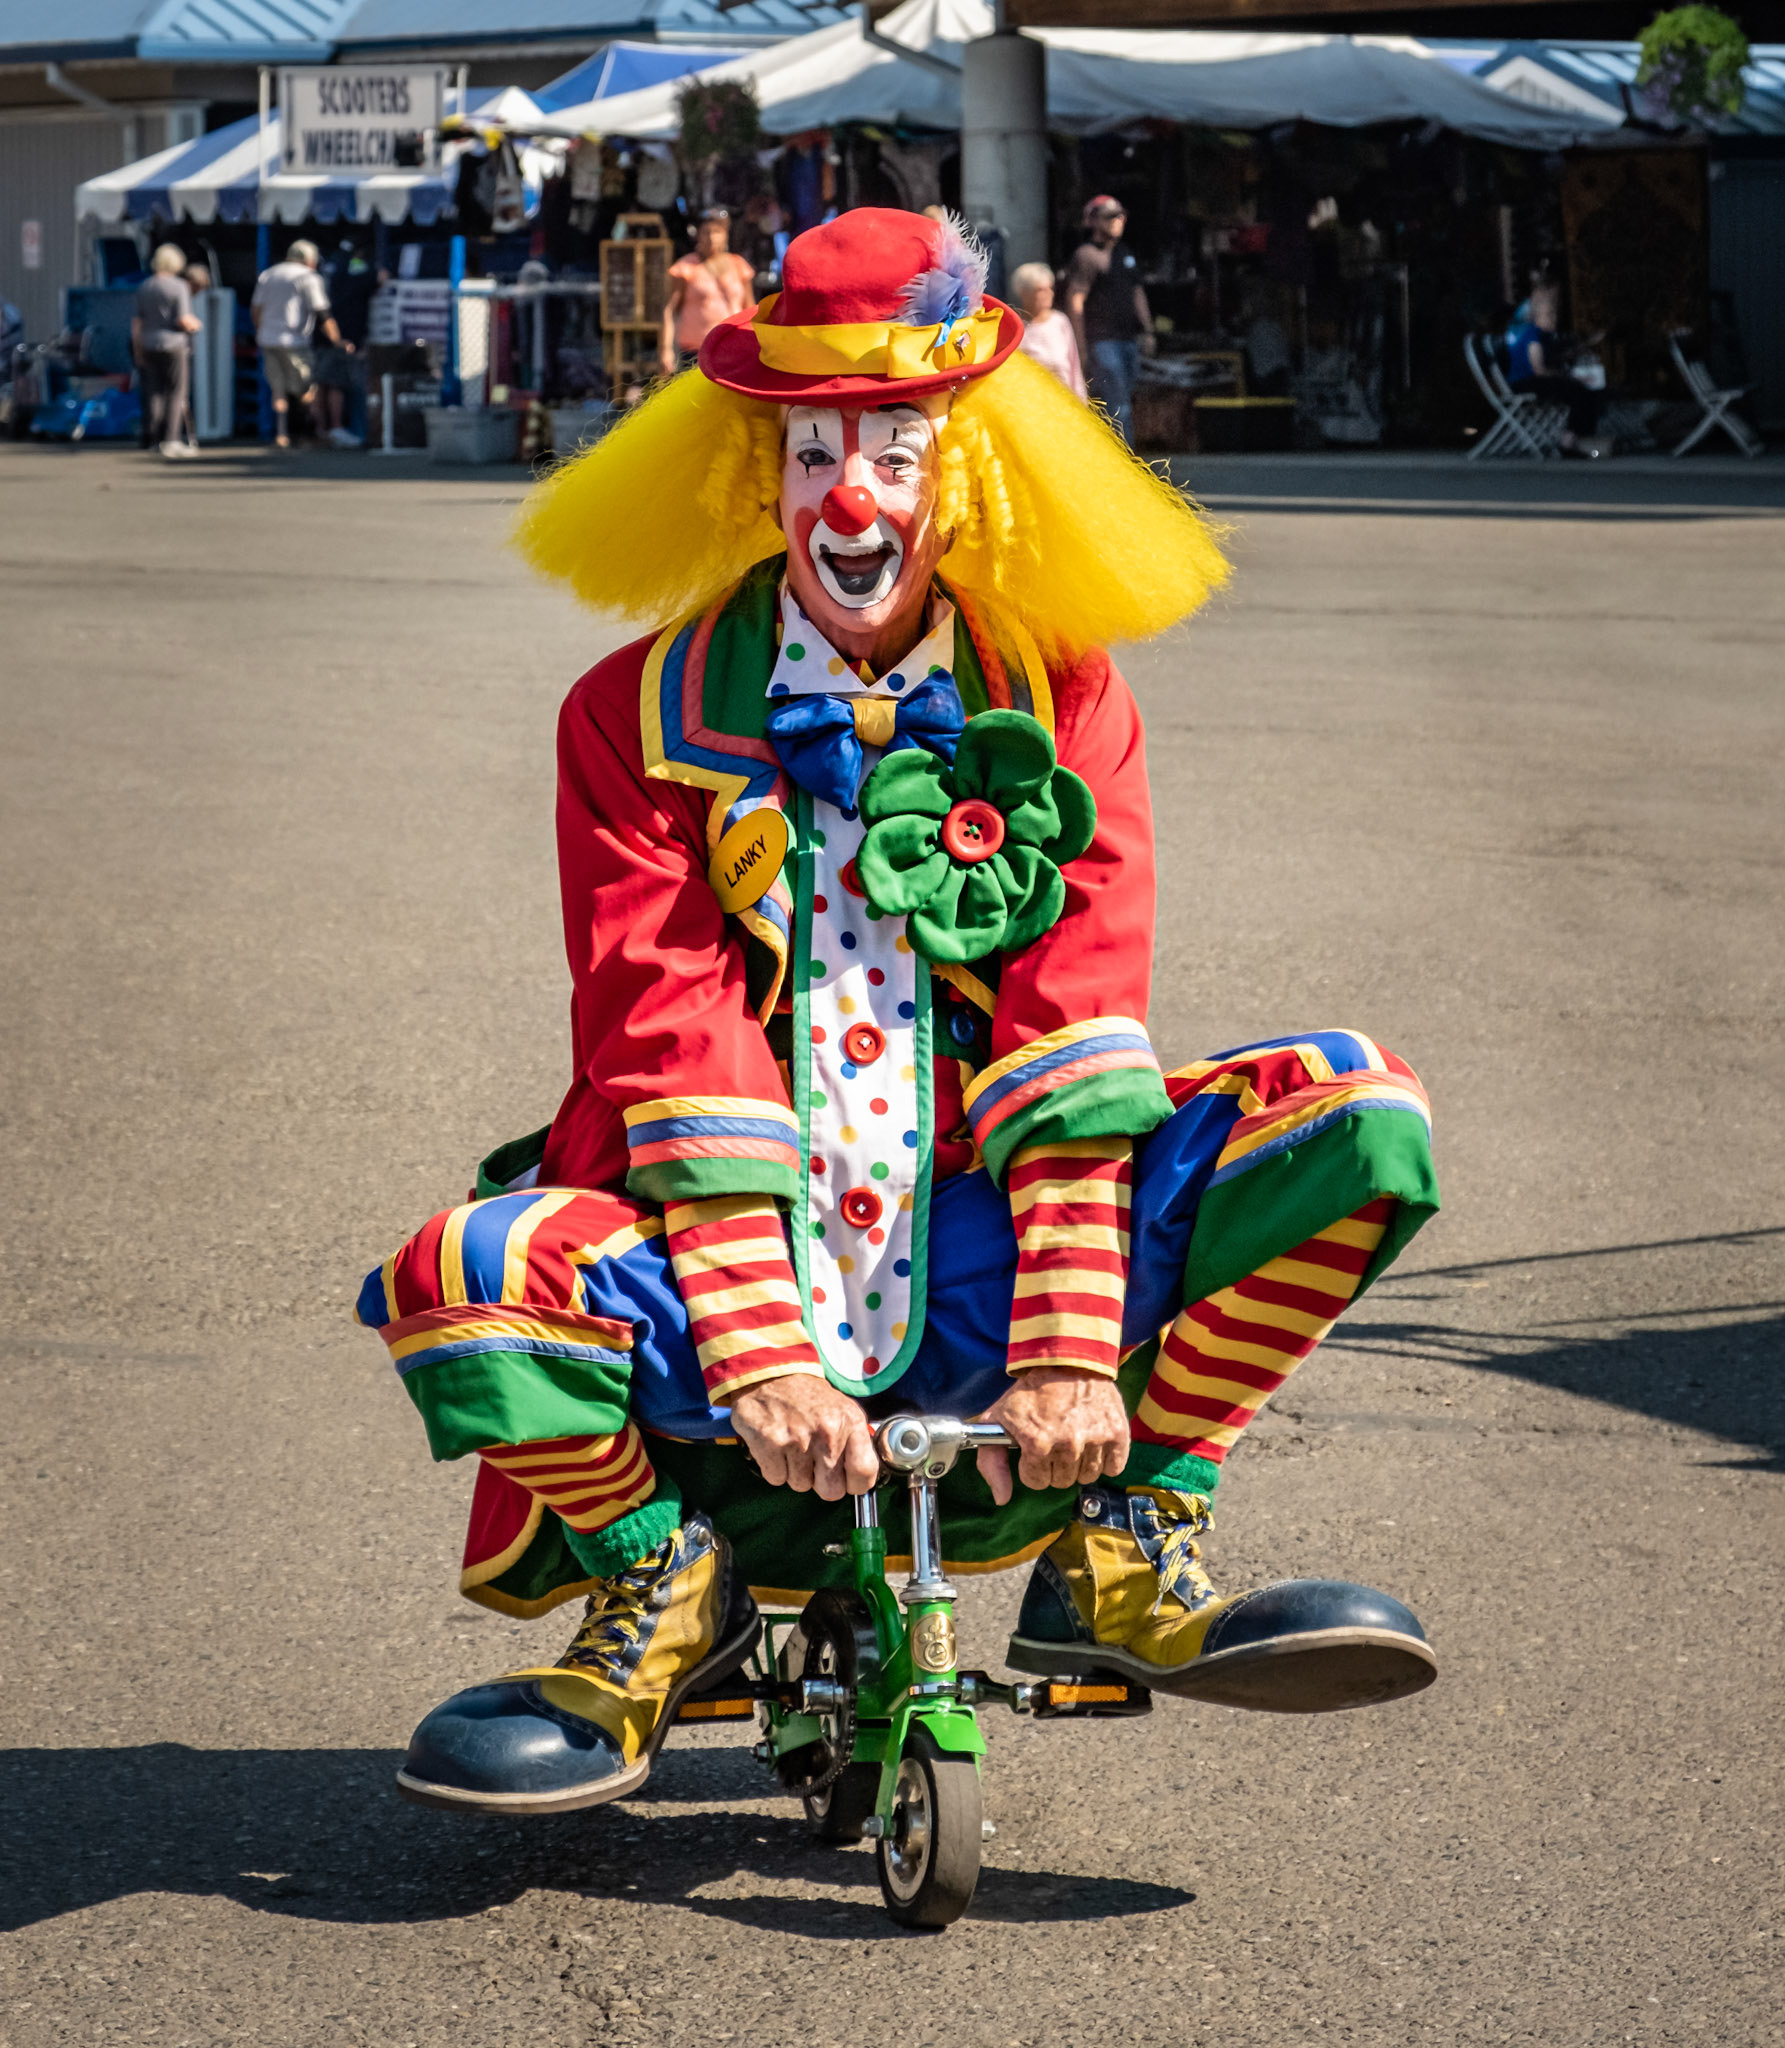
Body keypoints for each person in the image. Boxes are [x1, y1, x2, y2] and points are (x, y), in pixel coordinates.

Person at [357, 208, 1440, 1815]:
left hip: (985, 1253)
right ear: (755, 477)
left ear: (971, 478)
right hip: (723, 1280)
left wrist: (1073, 1353)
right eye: (808, 456)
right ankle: (669, 1582)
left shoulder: (1066, 695)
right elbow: (671, 1032)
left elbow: (1075, 1035)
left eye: (892, 451)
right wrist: (761, 1351)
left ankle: (1127, 1529)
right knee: (463, 1280)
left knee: (1359, 1118)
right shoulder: (630, 717)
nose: (846, 500)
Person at [1063, 196, 1156, 445]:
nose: (1118, 221)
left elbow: (1137, 292)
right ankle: (1125, 463)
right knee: (1118, 405)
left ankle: (1116, 456)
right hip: (1103, 341)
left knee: (1123, 401)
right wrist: (1080, 348)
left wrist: (1148, 331)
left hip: (1128, 340)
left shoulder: (1125, 253)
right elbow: (1076, 301)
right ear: (1093, 221)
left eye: (1121, 215)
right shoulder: (1087, 255)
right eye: (1110, 216)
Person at [250, 239, 341, 450]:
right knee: (307, 388)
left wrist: (261, 330)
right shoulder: (307, 277)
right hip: (294, 340)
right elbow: (322, 311)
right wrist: (337, 339)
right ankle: (309, 433)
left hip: (268, 339)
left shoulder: (269, 274)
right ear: (309, 260)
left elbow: (256, 311)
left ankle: (282, 435)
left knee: (278, 389)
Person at [1505, 282, 1611, 459]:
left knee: (1581, 389)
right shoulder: (1532, 334)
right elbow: (1538, 369)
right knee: (1576, 390)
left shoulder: (1539, 335)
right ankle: (1571, 440)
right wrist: (1564, 377)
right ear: (1536, 317)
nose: (1553, 319)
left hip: (1531, 380)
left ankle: (1579, 439)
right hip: (1525, 382)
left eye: (1554, 314)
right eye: (1548, 315)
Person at [659, 207, 756, 379]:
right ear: (699, 235)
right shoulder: (685, 267)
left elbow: (751, 311)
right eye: (706, 232)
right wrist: (666, 351)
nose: (711, 237)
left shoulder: (739, 265)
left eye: (717, 232)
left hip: (732, 352)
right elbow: (669, 311)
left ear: (726, 234)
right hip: (695, 353)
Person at [131, 244, 202, 461]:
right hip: (173, 344)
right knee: (176, 391)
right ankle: (171, 439)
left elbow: (137, 323)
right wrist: (197, 326)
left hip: (148, 343)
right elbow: (183, 319)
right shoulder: (179, 286)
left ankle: (152, 437)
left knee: (153, 392)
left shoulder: (145, 286)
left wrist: (138, 349)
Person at [316, 238, 383, 449]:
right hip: (343, 337)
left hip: (320, 335)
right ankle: (336, 429)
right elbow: (380, 277)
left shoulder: (326, 266)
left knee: (322, 383)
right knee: (336, 384)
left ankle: (322, 430)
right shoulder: (358, 265)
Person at [1012, 260, 1086, 400]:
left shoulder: (1060, 322)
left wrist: (1082, 402)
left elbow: (1074, 367)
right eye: (1041, 290)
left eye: (1050, 288)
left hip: (1065, 402)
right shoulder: (1016, 327)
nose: (1049, 293)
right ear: (1024, 293)